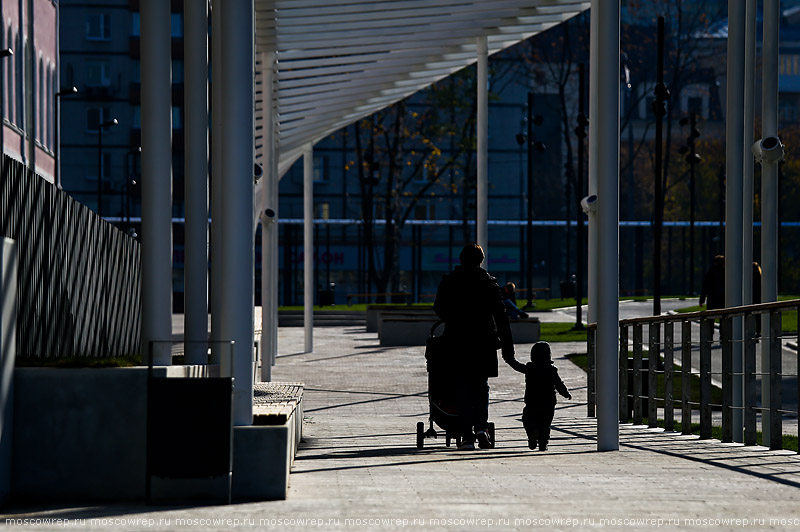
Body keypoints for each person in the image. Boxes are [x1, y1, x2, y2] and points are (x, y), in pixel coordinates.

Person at [434, 243, 515, 450]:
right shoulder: (489, 283)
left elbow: (439, 309)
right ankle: (481, 429)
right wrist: (508, 350)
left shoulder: (449, 282)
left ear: (460, 259)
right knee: (481, 386)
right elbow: (501, 317)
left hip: (456, 341)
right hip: (483, 342)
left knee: (461, 386)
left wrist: (454, 317)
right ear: (481, 260)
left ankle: (466, 435)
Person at [503, 341, 571, 451]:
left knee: (528, 419)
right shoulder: (551, 370)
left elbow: (517, 366)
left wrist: (509, 359)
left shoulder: (529, 368)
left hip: (532, 402)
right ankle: (543, 444)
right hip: (548, 403)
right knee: (545, 424)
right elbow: (558, 383)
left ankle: (532, 434)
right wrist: (565, 393)